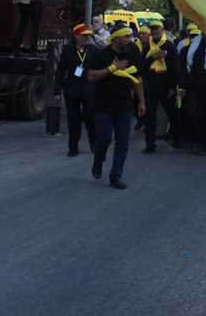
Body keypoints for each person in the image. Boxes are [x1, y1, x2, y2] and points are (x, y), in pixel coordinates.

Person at [86, 27, 146, 189]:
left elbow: (137, 79)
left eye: (130, 36)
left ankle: (115, 176)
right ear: (116, 38)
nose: (130, 39)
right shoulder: (101, 55)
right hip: (102, 105)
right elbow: (90, 76)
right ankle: (98, 160)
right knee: (104, 139)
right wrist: (111, 69)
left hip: (124, 107)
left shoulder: (132, 55)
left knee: (122, 143)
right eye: (126, 36)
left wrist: (141, 101)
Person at [54, 23, 96, 156]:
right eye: (84, 36)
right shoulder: (68, 50)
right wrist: (57, 91)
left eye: (88, 36)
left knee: (90, 116)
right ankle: (73, 147)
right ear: (76, 36)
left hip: (89, 88)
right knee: (73, 120)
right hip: (72, 89)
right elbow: (61, 71)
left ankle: (93, 143)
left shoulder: (93, 50)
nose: (86, 38)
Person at [141, 19, 179, 154]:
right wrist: (153, 57)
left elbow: (175, 69)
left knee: (172, 114)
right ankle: (150, 144)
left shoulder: (170, 46)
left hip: (166, 87)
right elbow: (142, 66)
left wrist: (172, 87)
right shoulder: (147, 48)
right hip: (151, 87)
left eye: (157, 31)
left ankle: (177, 139)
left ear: (162, 31)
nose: (155, 34)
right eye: (153, 31)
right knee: (150, 117)